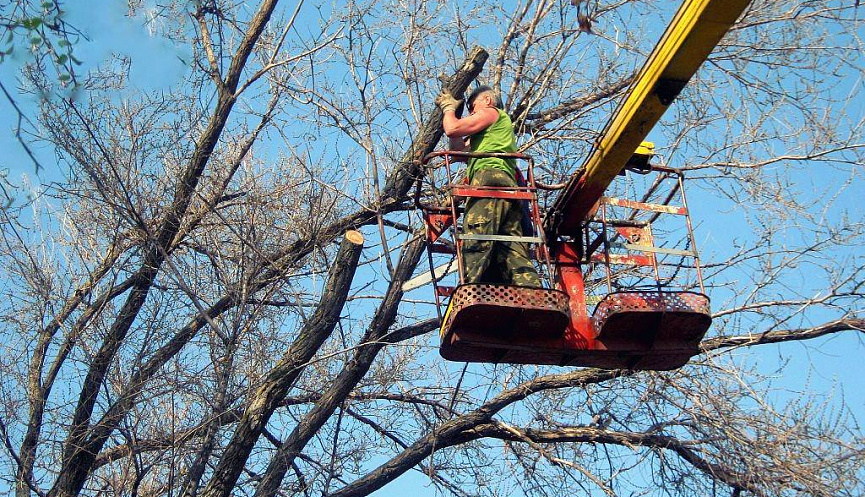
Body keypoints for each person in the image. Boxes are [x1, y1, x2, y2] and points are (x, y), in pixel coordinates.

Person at [435, 86, 541, 287]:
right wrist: (455, 115)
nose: (473, 114)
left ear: (487, 100)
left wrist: (448, 110)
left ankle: (473, 290)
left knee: (478, 235)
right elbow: (458, 152)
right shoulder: (489, 136)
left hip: (489, 181)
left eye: (473, 108)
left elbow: (452, 129)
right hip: (508, 188)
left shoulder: (490, 113)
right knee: (511, 246)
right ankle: (530, 291)